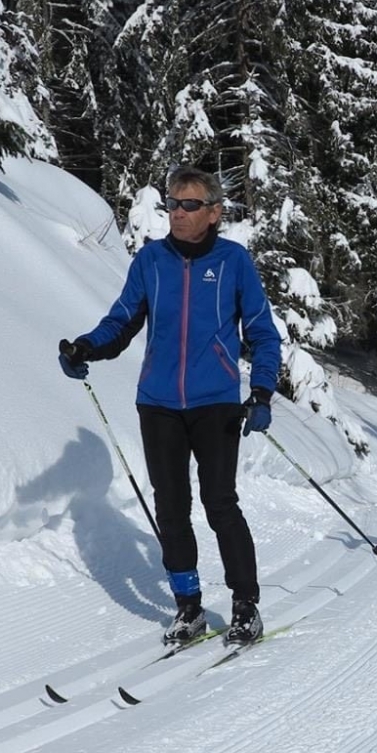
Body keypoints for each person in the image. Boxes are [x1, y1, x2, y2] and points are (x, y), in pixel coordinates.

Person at [58, 167, 282, 647]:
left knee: (220, 504)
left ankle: (245, 606)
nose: (177, 214)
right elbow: (122, 322)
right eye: (172, 205)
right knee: (171, 508)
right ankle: (189, 607)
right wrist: (85, 348)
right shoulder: (151, 261)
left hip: (216, 402)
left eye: (189, 205)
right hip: (158, 403)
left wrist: (261, 392)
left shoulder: (233, 262)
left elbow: (262, 334)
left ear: (214, 212)